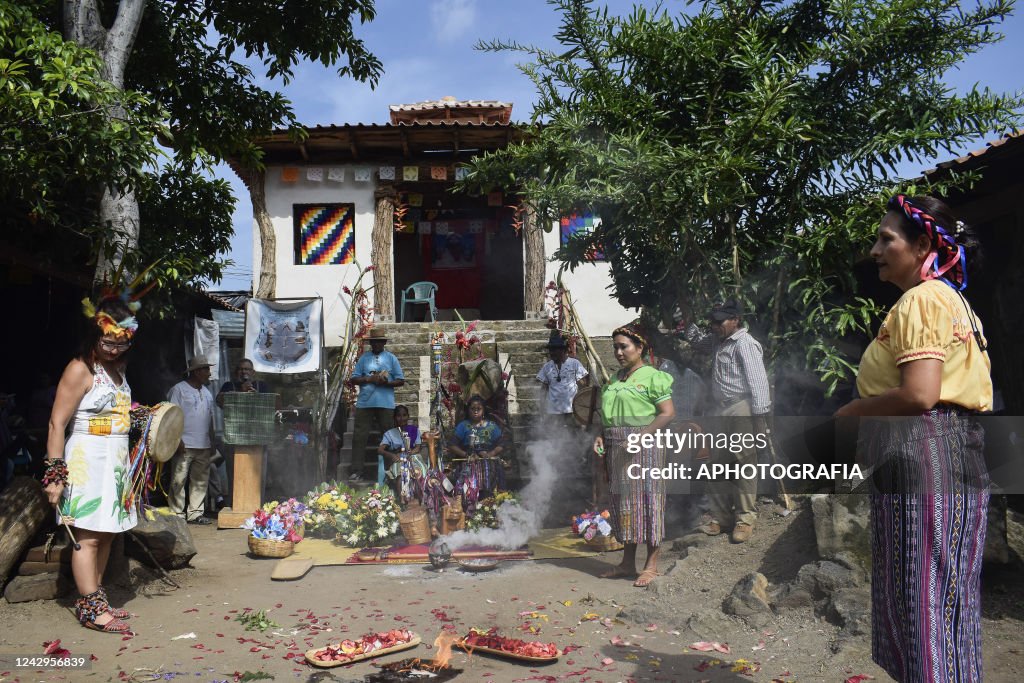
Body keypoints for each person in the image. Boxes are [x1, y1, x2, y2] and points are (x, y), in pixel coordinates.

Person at [835, 195, 991, 682]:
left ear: (924, 243)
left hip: (923, 452)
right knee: (945, 601)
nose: (876, 250)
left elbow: (921, 394)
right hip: (949, 452)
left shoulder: (922, 300)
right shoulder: (951, 299)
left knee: (922, 600)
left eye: (888, 239)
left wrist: (854, 410)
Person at [43, 297, 139, 633]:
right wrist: (55, 476)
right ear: (93, 334)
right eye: (107, 342)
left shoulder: (117, 369)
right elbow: (57, 424)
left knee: (108, 534)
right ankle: (91, 610)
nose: (113, 350)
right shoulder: (79, 368)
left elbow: (116, 411)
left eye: (120, 344)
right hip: (86, 458)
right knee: (87, 538)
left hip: (114, 462)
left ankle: (96, 599)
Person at [592, 322, 675, 588]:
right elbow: (607, 415)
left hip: (646, 447)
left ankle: (651, 564)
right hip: (617, 447)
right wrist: (600, 436)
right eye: (615, 347)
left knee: (649, 502)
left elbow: (667, 413)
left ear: (640, 348)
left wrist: (641, 436)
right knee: (624, 504)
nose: (618, 352)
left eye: (623, 347)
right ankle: (628, 563)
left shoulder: (653, 376)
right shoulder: (615, 379)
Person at [683, 300, 771, 543]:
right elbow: (697, 341)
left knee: (744, 462)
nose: (714, 325)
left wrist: (760, 418)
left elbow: (759, 383)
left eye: (719, 321)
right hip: (720, 408)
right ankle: (721, 518)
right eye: (712, 321)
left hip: (741, 406)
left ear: (735, 320)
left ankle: (745, 519)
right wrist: (686, 318)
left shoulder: (745, 344)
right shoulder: (717, 341)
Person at [349, 331, 405, 482]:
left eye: (379, 341)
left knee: (389, 436)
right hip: (365, 403)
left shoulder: (391, 358)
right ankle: (357, 471)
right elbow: (353, 379)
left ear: (384, 343)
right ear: (370, 343)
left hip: (385, 403)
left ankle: (391, 469)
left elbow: (401, 380)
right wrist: (369, 378)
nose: (376, 344)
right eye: (374, 342)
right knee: (359, 436)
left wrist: (387, 383)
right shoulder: (364, 358)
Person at [167, 355, 216, 525]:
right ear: (196, 372)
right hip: (184, 444)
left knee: (200, 482)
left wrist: (212, 441)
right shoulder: (178, 390)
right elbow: (171, 416)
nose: (209, 373)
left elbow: (210, 419)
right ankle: (177, 515)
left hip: (203, 444)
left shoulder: (207, 393)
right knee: (178, 481)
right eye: (206, 369)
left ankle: (195, 514)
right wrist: (176, 440)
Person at [449, 394, 505, 512]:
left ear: (483, 410)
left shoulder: (492, 426)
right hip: (468, 460)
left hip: (488, 460)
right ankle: (469, 509)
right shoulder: (462, 426)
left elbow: (502, 444)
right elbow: (452, 445)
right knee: (467, 476)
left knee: (486, 473)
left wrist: (490, 454)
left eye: (478, 409)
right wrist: (466, 455)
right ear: (468, 410)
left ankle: (487, 508)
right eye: (472, 409)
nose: (475, 411)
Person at [536, 331, 589, 430]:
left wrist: (583, 408)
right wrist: (542, 409)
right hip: (553, 412)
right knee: (556, 438)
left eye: (554, 350)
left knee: (574, 435)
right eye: (550, 350)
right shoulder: (547, 367)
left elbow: (583, 386)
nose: (551, 353)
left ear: (563, 350)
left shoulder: (575, 364)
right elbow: (544, 389)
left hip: (572, 411)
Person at [379, 404, 426, 503]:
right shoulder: (389, 433)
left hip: (413, 457)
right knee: (401, 473)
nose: (402, 418)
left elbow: (418, 447)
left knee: (419, 471)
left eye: (404, 415)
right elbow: (380, 450)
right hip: (398, 459)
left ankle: (421, 498)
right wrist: (391, 455)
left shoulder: (414, 430)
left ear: (408, 416)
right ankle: (403, 500)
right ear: (395, 418)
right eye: (399, 416)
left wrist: (410, 453)